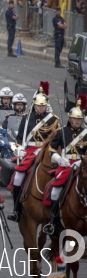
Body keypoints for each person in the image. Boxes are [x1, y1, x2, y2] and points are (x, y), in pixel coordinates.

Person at [7, 84, 59, 222]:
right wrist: (19, 148)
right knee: (18, 176)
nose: (40, 108)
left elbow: (58, 140)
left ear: (46, 105)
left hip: (47, 151)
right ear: (34, 105)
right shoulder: (27, 117)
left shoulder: (53, 119)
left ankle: (58, 212)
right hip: (30, 151)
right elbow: (19, 138)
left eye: (43, 106)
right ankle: (17, 209)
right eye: (38, 105)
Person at [42, 98, 87, 236]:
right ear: (70, 119)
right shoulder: (62, 132)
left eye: (79, 119)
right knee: (55, 190)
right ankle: (54, 223)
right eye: (74, 119)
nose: (77, 121)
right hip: (66, 166)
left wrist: (83, 161)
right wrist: (59, 159)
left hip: (83, 165)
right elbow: (51, 150)